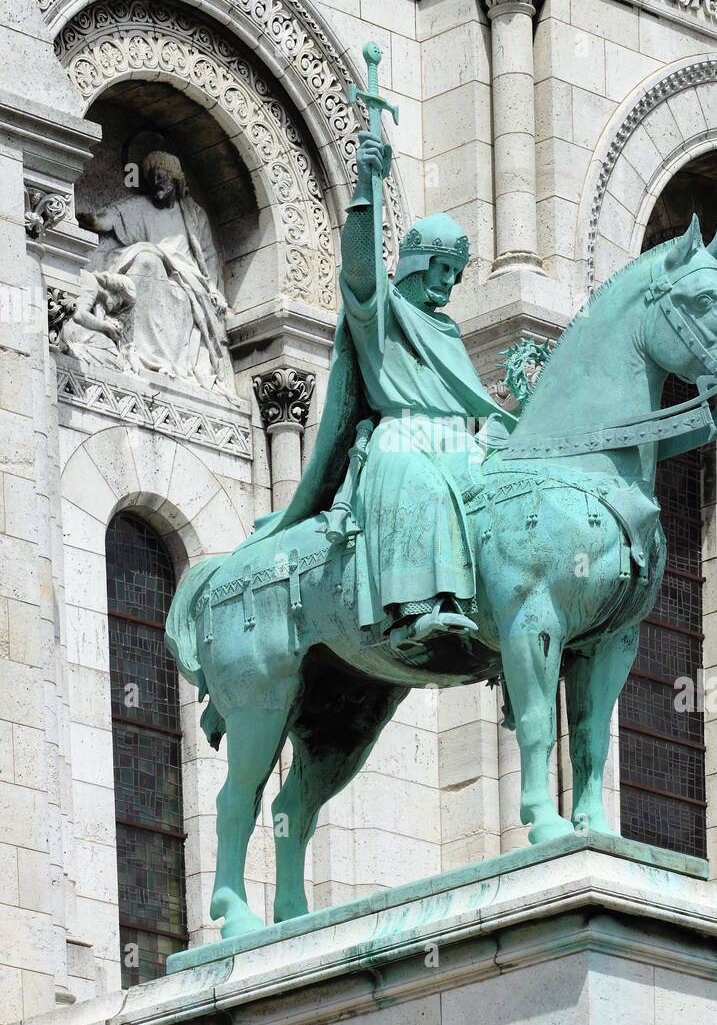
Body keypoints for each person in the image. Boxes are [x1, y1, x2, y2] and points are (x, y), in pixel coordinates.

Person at [269, 130, 516, 653]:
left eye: (454, 273)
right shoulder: (378, 313)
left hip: (456, 443)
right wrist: (364, 185)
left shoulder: (447, 331)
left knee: (512, 496)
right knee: (423, 485)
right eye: (440, 269)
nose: (447, 283)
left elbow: (474, 404)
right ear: (415, 264)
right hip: (400, 439)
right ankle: (413, 613)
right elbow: (359, 270)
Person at [78, 150, 231, 390]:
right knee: (147, 260)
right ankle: (145, 354)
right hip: (154, 270)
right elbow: (114, 216)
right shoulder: (141, 205)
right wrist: (93, 220)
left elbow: (209, 256)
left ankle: (167, 361)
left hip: (187, 280)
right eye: (152, 178)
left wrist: (212, 289)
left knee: (168, 282)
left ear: (176, 179)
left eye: (162, 177)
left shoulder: (194, 215)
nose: (156, 183)